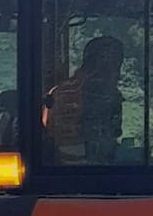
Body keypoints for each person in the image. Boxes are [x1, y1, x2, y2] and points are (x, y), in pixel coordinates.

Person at [45, 34, 124, 163]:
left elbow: (49, 129)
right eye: (114, 65)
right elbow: (113, 134)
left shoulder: (57, 92)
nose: (117, 73)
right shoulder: (109, 95)